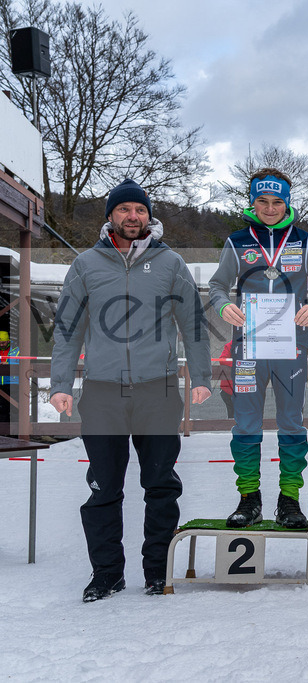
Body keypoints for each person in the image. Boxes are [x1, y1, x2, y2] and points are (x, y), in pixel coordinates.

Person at [49, 179, 212, 602]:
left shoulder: (170, 263)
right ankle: (107, 574)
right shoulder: (86, 264)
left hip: (158, 391)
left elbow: (193, 324)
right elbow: (67, 329)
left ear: (149, 217)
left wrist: (201, 377)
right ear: (111, 216)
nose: (133, 216)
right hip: (102, 393)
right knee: (104, 487)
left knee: (160, 484)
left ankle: (157, 570)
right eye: (124, 209)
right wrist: (61, 384)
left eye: (140, 210)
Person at [209, 168, 308, 530]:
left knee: (291, 421)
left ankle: (289, 498)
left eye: (277, 201)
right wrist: (223, 305)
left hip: (291, 347)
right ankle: (248, 498)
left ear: (287, 203)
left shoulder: (304, 241)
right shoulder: (237, 241)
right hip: (248, 347)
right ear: (252, 203)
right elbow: (217, 286)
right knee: (246, 422)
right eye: (262, 201)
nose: (269, 208)